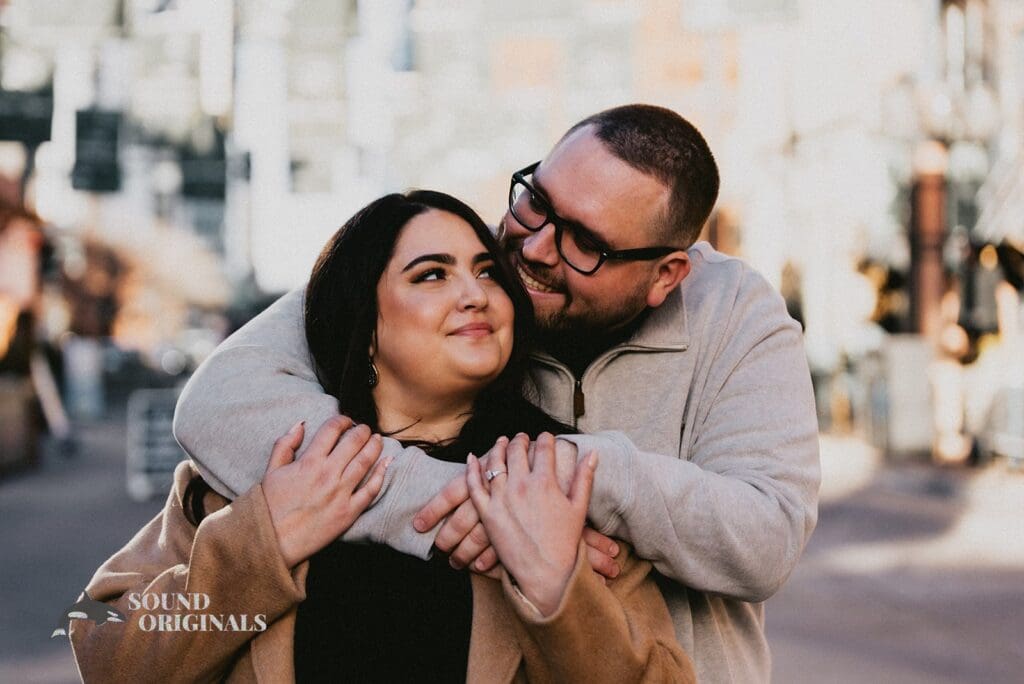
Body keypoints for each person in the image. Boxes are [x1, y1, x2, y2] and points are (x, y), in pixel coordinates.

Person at [174, 104, 821, 682]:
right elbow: (221, 401)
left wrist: (570, 472)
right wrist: (468, 498)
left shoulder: (736, 313)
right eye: (536, 200)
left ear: (665, 275)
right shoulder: (464, 261)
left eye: (587, 244)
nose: (534, 247)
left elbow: (765, 537)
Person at [70, 191, 693, 683]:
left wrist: (560, 588)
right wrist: (262, 544)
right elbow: (96, 633)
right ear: (365, 326)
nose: (475, 294)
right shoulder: (270, 465)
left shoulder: (556, 478)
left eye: (486, 272)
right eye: (431, 276)